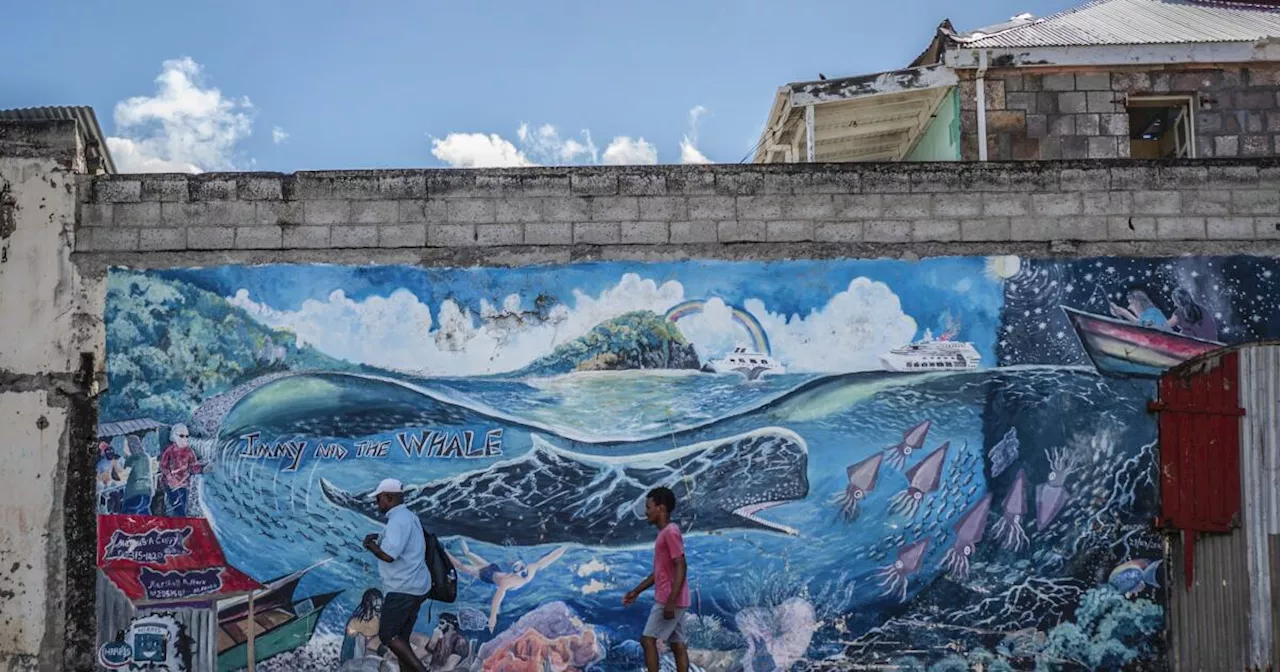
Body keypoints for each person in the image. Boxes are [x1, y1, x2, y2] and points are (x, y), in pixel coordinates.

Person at [361, 478, 432, 672]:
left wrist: (371, 545)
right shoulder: (409, 517)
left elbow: (389, 556)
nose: (378, 503)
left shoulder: (397, 521)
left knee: (388, 635)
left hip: (403, 589)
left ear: (389, 497)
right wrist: (380, 538)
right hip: (417, 586)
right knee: (402, 641)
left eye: (379, 499)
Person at [623, 486, 691, 672]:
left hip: (670, 598)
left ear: (660, 508)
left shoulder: (670, 532)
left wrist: (671, 600)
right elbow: (660, 572)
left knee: (647, 640)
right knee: (677, 645)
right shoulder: (665, 533)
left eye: (649, 507)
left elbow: (681, 564)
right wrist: (637, 591)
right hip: (677, 598)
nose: (646, 512)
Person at [446, 540, 568, 633]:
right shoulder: (508, 582)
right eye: (518, 569)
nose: (522, 571)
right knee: (461, 566)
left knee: (468, 553)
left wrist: (563, 548)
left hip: (493, 569)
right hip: (486, 574)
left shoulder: (531, 568)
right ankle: (443, 551)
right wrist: (492, 619)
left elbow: (548, 559)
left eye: (522, 568)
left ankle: (459, 540)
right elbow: (497, 599)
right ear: (514, 571)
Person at [158, 424, 204, 516]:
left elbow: (193, 467)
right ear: (174, 436)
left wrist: (204, 469)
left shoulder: (189, 451)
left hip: (183, 484)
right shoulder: (169, 450)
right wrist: (170, 478)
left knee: (183, 507)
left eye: (187, 436)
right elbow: (163, 466)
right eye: (181, 436)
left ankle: (180, 526)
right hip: (171, 485)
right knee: (178, 509)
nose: (185, 438)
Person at [120, 434, 155, 515]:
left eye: (125, 445)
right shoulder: (146, 456)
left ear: (130, 446)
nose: (124, 448)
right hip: (147, 492)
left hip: (133, 494)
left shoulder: (132, 458)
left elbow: (124, 476)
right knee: (145, 517)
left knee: (126, 518)